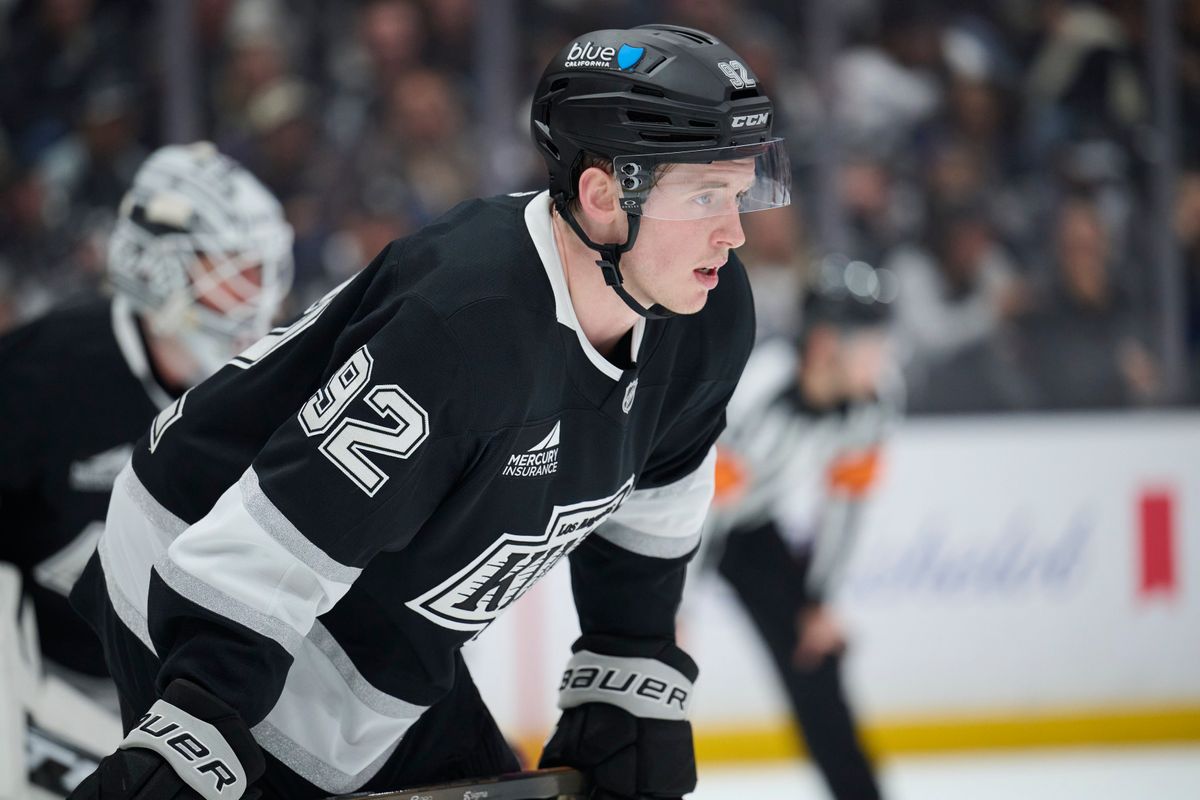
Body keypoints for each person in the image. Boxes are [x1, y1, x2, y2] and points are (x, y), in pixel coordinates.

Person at [67, 24, 791, 800]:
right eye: (708, 196)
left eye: (743, 188)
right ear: (605, 195)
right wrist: (197, 719)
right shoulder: (467, 321)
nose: (736, 229)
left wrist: (628, 664)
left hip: (381, 626)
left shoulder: (706, 315)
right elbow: (286, 524)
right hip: (204, 563)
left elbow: (662, 484)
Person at [0, 141, 292, 792]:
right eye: (234, 268)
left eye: (264, 269)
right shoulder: (40, 377)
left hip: (189, 696)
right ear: (154, 265)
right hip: (47, 680)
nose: (259, 297)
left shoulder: (275, 383)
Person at [699, 287, 896, 800]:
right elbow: (692, 500)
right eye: (873, 344)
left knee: (815, 657)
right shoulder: (756, 387)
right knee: (646, 664)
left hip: (746, 524)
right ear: (827, 343)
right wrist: (671, 607)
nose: (885, 359)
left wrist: (817, 601)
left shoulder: (873, 402)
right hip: (662, 516)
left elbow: (845, 507)